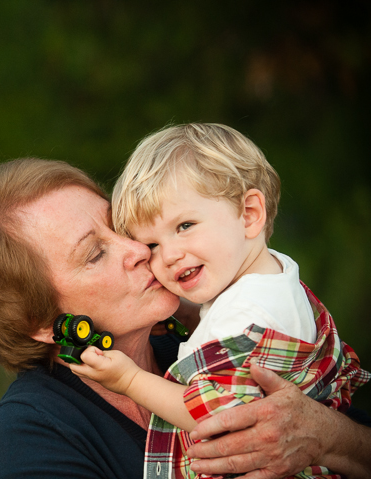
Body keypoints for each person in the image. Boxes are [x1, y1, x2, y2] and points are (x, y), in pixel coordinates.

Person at [0, 157, 371, 479]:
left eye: (123, 228)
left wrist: (328, 436)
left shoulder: (205, 337)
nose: (138, 251)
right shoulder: (27, 434)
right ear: (39, 321)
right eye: (95, 253)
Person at [68, 124, 370, 478]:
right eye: (152, 245)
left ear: (250, 214)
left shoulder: (246, 314)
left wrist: (129, 381)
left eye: (185, 226)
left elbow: (213, 414)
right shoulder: (273, 277)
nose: (168, 256)